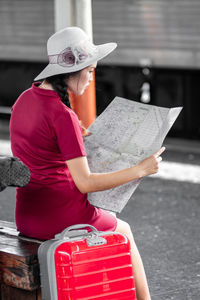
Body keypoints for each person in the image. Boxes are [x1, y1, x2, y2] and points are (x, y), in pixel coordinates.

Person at [10, 27, 165, 300]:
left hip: (27, 215)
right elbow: (85, 183)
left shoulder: (24, 99)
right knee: (124, 229)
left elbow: (39, 146)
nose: (92, 78)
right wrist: (141, 169)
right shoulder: (62, 114)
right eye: (90, 71)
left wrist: (74, 136)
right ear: (73, 71)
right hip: (59, 217)